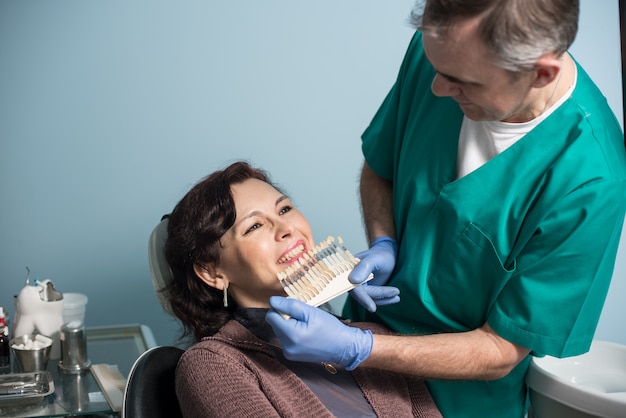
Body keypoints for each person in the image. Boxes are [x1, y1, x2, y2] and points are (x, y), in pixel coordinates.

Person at [265, 1, 626, 417]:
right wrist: (385, 240)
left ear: (541, 73)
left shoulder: (590, 182)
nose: (436, 88)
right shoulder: (441, 52)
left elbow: (500, 348)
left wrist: (358, 348)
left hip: (460, 399)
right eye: (436, 66)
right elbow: (382, 166)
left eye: (459, 81)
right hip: (358, 357)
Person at [162, 161, 442, 418]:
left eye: (284, 209)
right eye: (255, 226)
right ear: (211, 272)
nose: (286, 228)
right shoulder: (213, 366)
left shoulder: (375, 339)